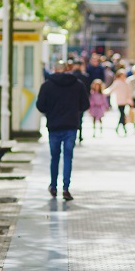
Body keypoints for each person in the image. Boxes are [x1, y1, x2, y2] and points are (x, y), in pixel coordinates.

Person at [36, 60, 89, 201]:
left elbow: (40, 106)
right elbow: (85, 104)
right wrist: (74, 111)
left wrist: (51, 111)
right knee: (68, 157)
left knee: (54, 157)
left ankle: (53, 186)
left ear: (54, 69)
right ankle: (66, 188)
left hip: (54, 126)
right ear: (67, 69)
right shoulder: (77, 85)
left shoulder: (47, 85)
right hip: (71, 125)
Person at [103, 69, 135, 135]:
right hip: (119, 101)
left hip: (125, 101)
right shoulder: (117, 82)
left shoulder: (127, 82)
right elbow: (110, 89)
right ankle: (122, 128)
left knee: (122, 114)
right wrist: (102, 92)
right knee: (122, 114)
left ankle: (119, 127)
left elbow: (129, 92)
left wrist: (130, 100)